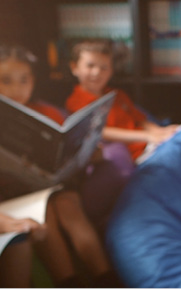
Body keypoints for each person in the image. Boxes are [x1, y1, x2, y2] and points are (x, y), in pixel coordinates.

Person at [0, 44, 119, 287]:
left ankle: (106, 278)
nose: (16, 89)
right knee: (46, 213)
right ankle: (68, 281)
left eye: (24, 80)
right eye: (5, 81)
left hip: (57, 184)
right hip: (16, 192)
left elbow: (71, 145)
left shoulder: (48, 112)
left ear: (33, 81)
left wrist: (88, 151)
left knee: (66, 204)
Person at [65, 39, 180, 162]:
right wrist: (149, 136)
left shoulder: (116, 95)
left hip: (152, 144)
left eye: (104, 67)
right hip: (135, 154)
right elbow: (100, 132)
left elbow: (140, 119)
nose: (97, 72)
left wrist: (161, 131)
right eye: (90, 65)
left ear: (111, 71)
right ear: (74, 67)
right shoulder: (76, 102)